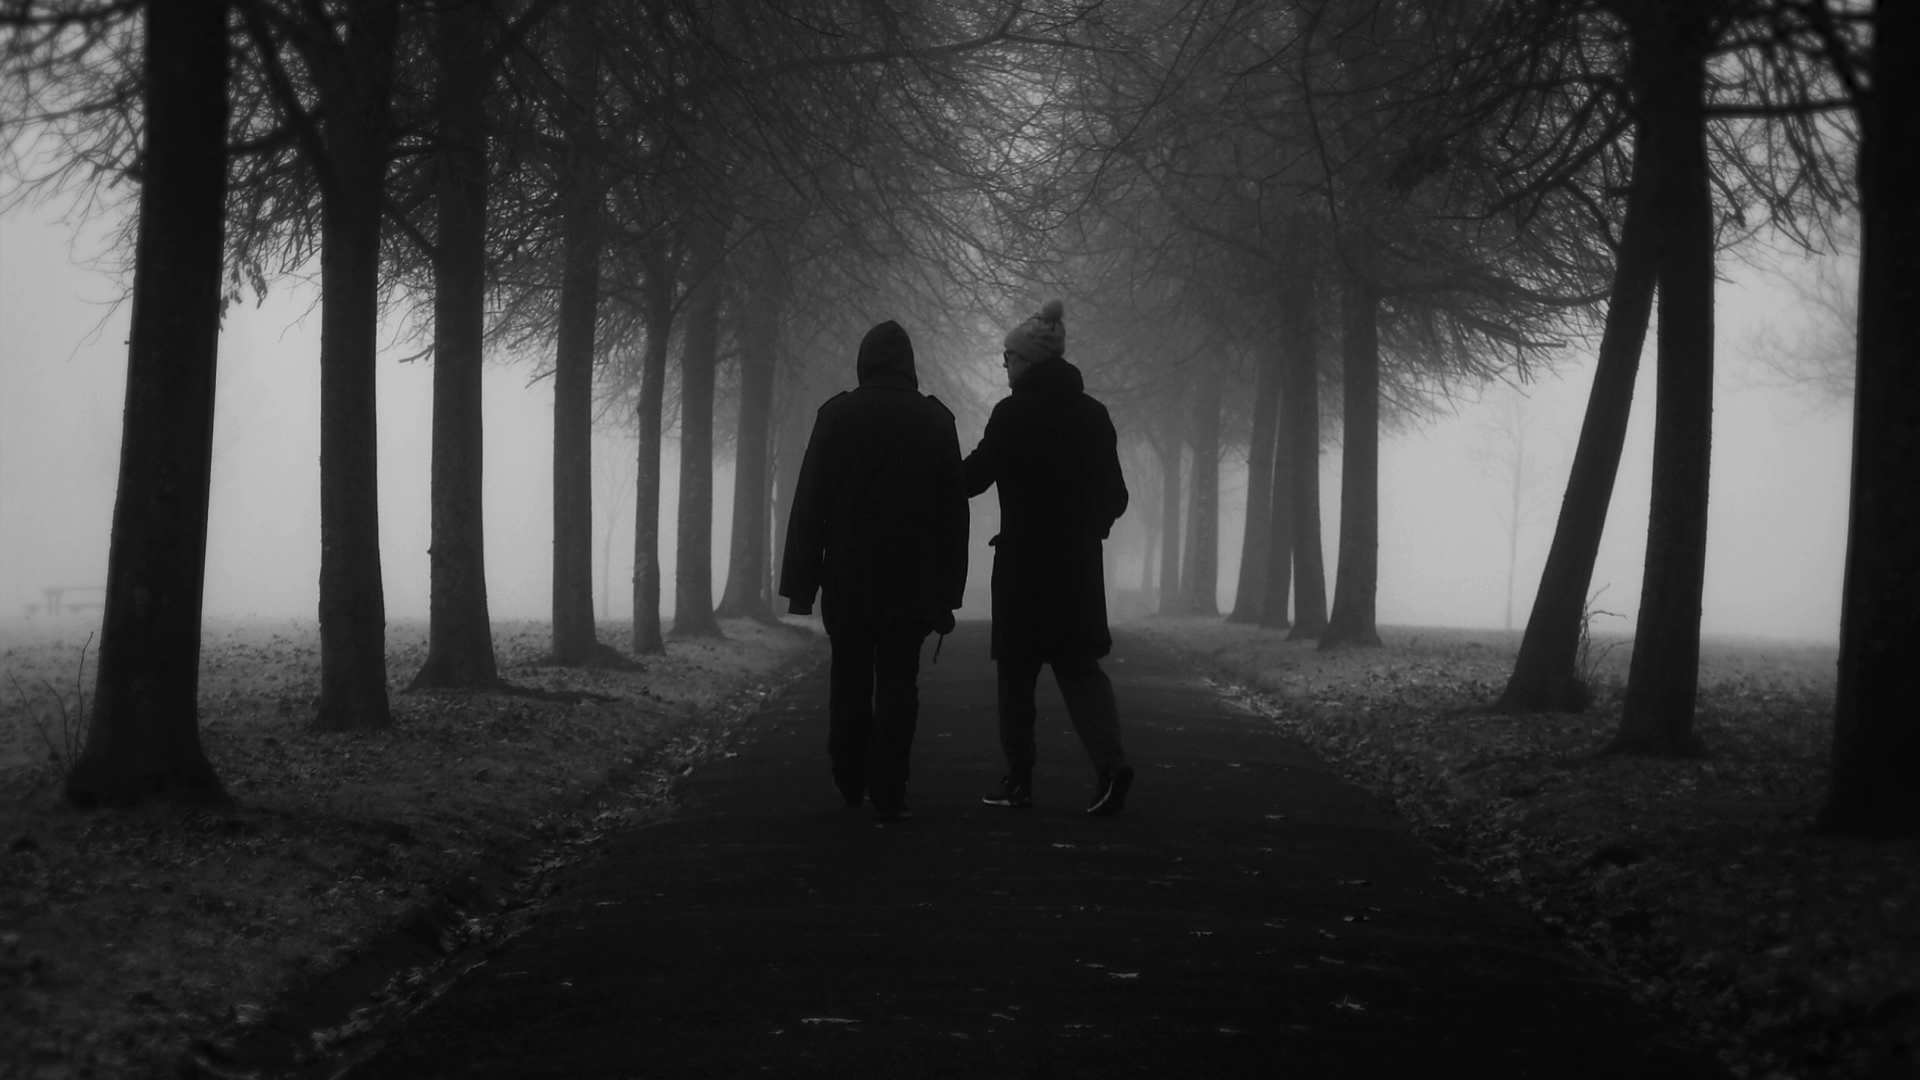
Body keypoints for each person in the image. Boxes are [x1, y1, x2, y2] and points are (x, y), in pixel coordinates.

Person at [779, 319, 968, 824]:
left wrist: (801, 585)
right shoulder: (936, 421)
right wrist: (950, 591)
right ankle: (891, 786)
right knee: (899, 684)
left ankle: (848, 772)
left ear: (863, 362)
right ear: (910, 365)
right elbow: (953, 515)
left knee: (850, 676)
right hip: (913, 580)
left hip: (849, 577)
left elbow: (809, 505)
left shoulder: (835, 416)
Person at [964, 299, 1134, 816]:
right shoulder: (1093, 415)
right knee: (1080, 669)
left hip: (1022, 568)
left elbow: (972, 477)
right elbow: (1117, 497)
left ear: (1026, 362)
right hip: (1077, 568)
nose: (1004, 365)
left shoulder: (1011, 414)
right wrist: (1089, 530)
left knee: (1016, 676)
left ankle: (1019, 780)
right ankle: (1110, 765)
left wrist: (927, 471)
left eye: (1008, 357)